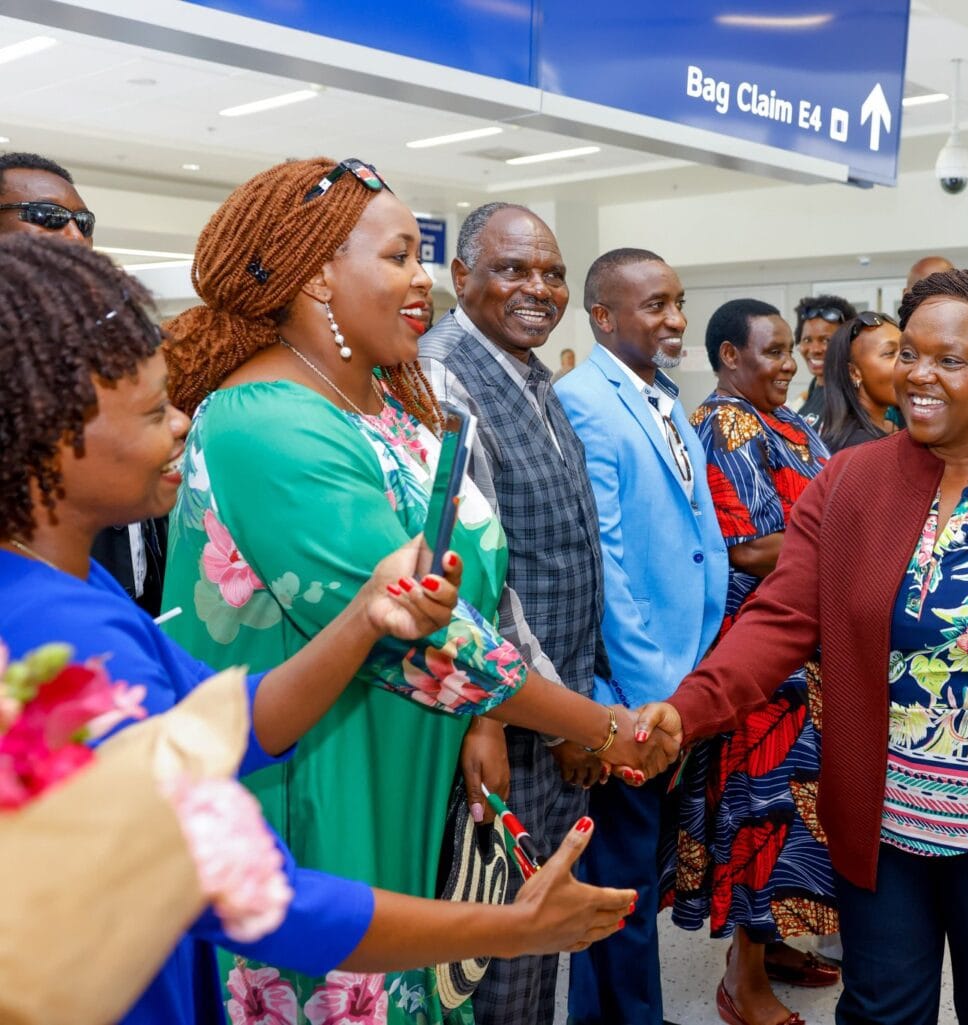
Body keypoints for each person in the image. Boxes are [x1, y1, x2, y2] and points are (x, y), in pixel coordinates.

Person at [0, 233, 639, 1025]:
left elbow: (233, 720)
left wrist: (363, 619)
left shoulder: (66, 586)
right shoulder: (49, 641)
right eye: (153, 409)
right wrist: (517, 927)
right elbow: (259, 898)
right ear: (49, 432)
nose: (180, 424)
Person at [157, 158, 668, 1024]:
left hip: (416, 776)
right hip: (314, 790)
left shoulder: (394, 409)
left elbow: (461, 589)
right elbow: (428, 635)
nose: (421, 279)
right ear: (318, 271)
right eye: (397, 257)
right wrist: (605, 726)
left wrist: (484, 716)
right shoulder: (267, 421)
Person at [635, 269, 968, 1025]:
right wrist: (690, 709)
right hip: (881, 828)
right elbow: (779, 619)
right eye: (910, 353)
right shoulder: (851, 481)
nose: (919, 374)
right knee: (880, 1010)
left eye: (949, 360)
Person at [418, 203, 608, 1025]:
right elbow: (477, 574)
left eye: (553, 271)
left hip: (548, 703)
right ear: (461, 279)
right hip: (502, 714)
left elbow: (562, 543)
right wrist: (552, 716)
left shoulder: (529, 371)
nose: (539, 287)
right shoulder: (446, 371)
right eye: (513, 269)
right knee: (494, 944)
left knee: (535, 937)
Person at [556, 247, 730, 1025]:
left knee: (633, 882)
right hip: (629, 692)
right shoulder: (584, 399)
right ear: (603, 317)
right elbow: (608, 563)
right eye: (655, 304)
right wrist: (649, 695)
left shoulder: (664, 399)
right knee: (621, 889)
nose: (676, 319)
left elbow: (698, 538)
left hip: (679, 678)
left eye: (678, 301)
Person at [669, 298, 837, 1025]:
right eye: (771, 351)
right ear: (730, 356)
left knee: (797, 814)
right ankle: (744, 975)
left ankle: (778, 943)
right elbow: (749, 546)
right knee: (758, 813)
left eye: (789, 350)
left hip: (811, 655)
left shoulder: (791, 422)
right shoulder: (726, 424)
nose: (787, 363)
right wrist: (847, 540)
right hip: (766, 660)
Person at [0, 150, 168, 616]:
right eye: (48, 217)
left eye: (84, 221)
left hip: (134, 600)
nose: (74, 233)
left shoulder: (112, 336)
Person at [818, 310, 903, 453]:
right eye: (889, 353)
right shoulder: (863, 448)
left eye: (906, 352)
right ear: (854, 373)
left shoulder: (878, 434)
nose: (906, 363)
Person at [792, 294, 856, 429]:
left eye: (826, 340)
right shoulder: (814, 388)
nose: (815, 349)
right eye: (807, 340)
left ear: (847, 343)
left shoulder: (852, 396)